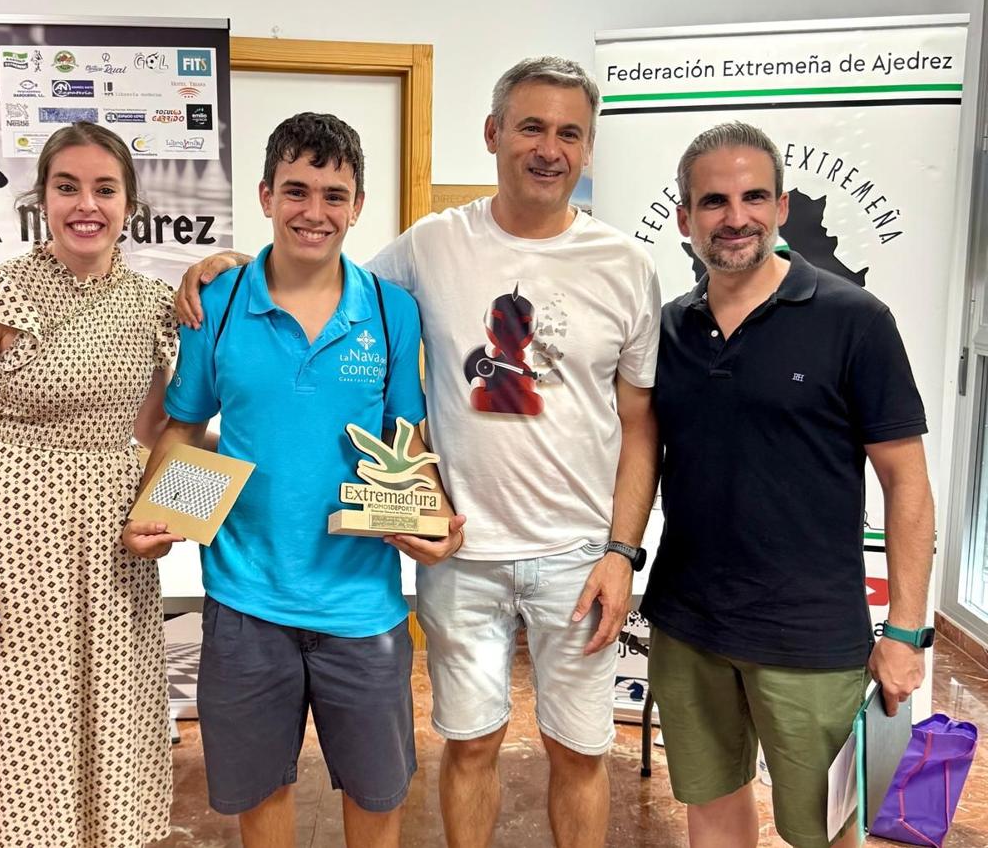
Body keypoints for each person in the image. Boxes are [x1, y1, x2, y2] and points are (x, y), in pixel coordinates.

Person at [175, 58, 661, 848]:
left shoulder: (625, 265)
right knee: (467, 745)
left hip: (577, 554)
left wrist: (620, 551)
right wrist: (230, 267)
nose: (549, 148)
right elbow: (318, 272)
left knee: (580, 749)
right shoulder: (432, 247)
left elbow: (641, 423)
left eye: (570, 131)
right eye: (531, 126)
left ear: (589, 146)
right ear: (493, 134)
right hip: (457, 555)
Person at [124, 112, 464, 848]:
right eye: (298, 191)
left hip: (362, 606)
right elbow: (185, 424)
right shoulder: (216, 303)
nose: (315, 212)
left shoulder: (389, 309)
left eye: (334, 195)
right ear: (266, 194)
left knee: (378, 795)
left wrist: (432, 521)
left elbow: (407, 440)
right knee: (261, 793)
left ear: (359, 205)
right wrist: (157, 515)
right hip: (246, 599)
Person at [644, 121, 935, 848]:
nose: (734, 217)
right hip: (690, 624)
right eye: (713, 201)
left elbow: (908, 484)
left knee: (825, 827)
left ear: (780, 207)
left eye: (753, 197)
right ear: (684, 218)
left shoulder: (854, 320)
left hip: (809, 634)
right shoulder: (669, 329)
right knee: (711, 805)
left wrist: (904, 631)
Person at [0, 122, 176, 847]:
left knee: (112, 702)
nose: (85, 205)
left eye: (104, 188)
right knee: (23, 707)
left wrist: (193, 502)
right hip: (13, 528)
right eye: (68, 187)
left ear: (131, 202)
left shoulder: (152, 305)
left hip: (113, 539)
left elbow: (160, 431)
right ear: (42, 199)